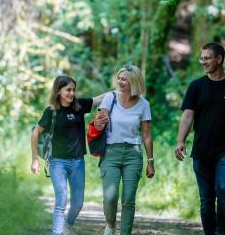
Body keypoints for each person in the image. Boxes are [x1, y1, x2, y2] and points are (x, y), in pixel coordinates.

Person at [175, 42, 225, 235]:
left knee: (224, 190)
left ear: (219, 59)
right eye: (202, 58)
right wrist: (180, 140)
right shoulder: (196, 87)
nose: (204, 62)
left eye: (207, 58)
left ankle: (222, 231)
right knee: (207, 198)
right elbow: (187, 116)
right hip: (201, 151)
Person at [31, 75, 104, 235]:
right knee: (61, 200)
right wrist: (35, 159)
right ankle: (57, 232)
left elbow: (99, 99)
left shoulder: (79, 106)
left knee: (78, 203)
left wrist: (120, 90)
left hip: (78, 162)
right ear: (58, 91)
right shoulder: (51, 112)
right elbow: (36, 132)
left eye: (73, 90)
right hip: (57, 162)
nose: (71, 93)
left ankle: (67, 226)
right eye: (68, 90)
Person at [93, 65, 154, 235]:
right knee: (110, 197)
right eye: (119, 78)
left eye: (124, 79)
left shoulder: (144, 105)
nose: (120, 81)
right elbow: (100, 120)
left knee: (128, 200)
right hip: (111, 153)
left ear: (134, 81)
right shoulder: (110, 98)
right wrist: (98, 122)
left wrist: (150, 162)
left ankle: (125, 232)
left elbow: (147, 135)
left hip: (133, 155)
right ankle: (110, 225)